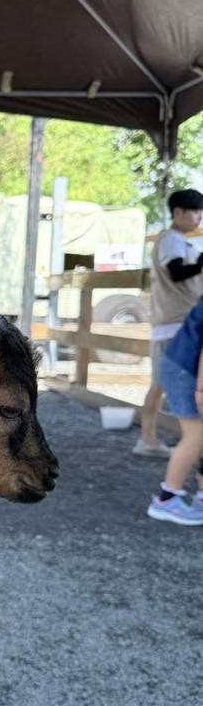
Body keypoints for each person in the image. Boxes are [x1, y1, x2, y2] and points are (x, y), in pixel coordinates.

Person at [134, 188, 203, 457]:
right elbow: (176, 273)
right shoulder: (172, 239)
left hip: (172, 326)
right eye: (195, 212)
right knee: (183, 385)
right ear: (178, 213)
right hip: (177, 327)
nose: (199, 217)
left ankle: (149, 439)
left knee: (160, 384)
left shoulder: (179, 242)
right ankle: (189, 444)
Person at [146, 295, 203, 525]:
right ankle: (166, 500)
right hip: (186, 372)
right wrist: (201, 390)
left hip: (183, 367)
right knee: (195, 437)